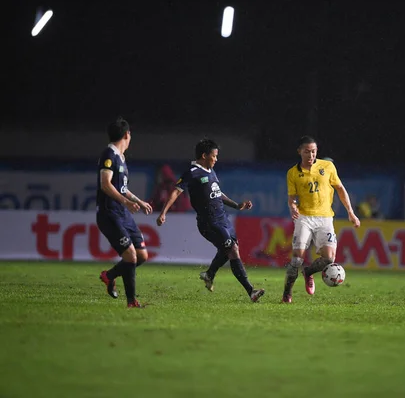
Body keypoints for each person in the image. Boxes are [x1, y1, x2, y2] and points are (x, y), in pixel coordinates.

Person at [156, 139, 265, 302]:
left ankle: (209, 274)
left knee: (228, 250)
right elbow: (176, 192)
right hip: (209, 222)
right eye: (214, 156)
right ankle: (251, 291)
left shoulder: (210, 171)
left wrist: (236, 205)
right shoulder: (192, 172)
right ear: (204, 155)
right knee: (233, 250)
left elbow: (217, 193)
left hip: (223, 219)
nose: (216, 159)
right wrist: (163, 212)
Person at [283, 135, 361, 303]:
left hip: (325, 218)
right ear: (299, 152)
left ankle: (308, 272)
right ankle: (287, 295)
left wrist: (351, 212)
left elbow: (340, 189)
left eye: (314, 152)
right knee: (297, 259)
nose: (311, 155)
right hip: (304, 218)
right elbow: (292, 198)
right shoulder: (293, 173)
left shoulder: (328, 166)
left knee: (329, 259)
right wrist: (293, 206)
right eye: (307, 152)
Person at [97, 116, 153, 308]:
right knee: (130, 256)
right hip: (109, 212)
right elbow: (105, 185)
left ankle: (109, 275)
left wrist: (137, 201)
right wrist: (125, 202)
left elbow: (121, 188)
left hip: (122, 212)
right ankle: (131, 302)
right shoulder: (109, 154)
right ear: (127, 134)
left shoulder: (120, 158)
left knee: (142, 255)